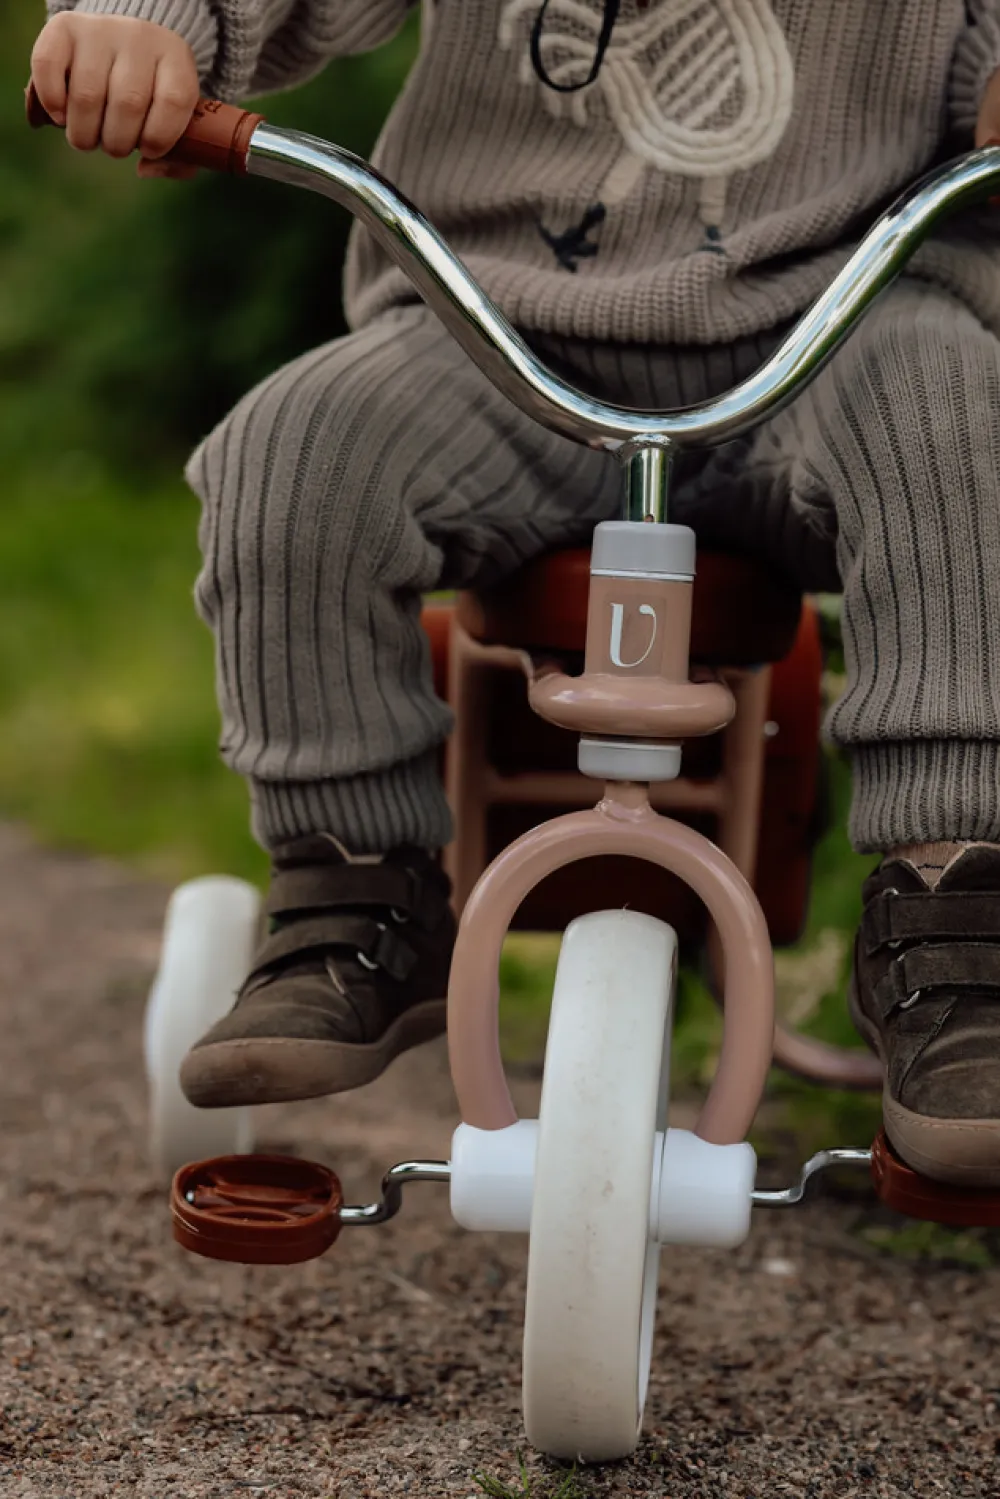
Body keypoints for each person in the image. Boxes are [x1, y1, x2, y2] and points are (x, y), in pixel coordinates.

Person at [30, 1, 1000, 1187]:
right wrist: (144, 28)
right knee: (291, 456)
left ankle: (950, 915)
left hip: (846, 321)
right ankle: (354, 883)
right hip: (488, 331)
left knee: (959, 425)